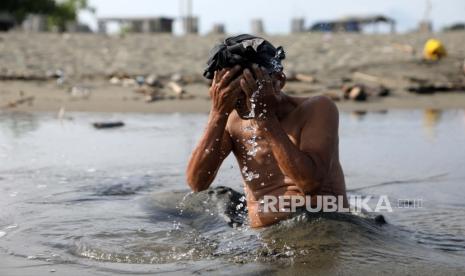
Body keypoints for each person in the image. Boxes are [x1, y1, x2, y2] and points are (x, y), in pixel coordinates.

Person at [186, 34, 348, 228]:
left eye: (250, 89)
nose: (243, 102)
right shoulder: (231, 121)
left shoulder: (317, 108)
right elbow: (197, 183)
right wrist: (217, 113)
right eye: (234, 94)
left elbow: (309, 184)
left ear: (279, 81)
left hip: (321, 223)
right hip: (264, 236)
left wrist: (264, 117)